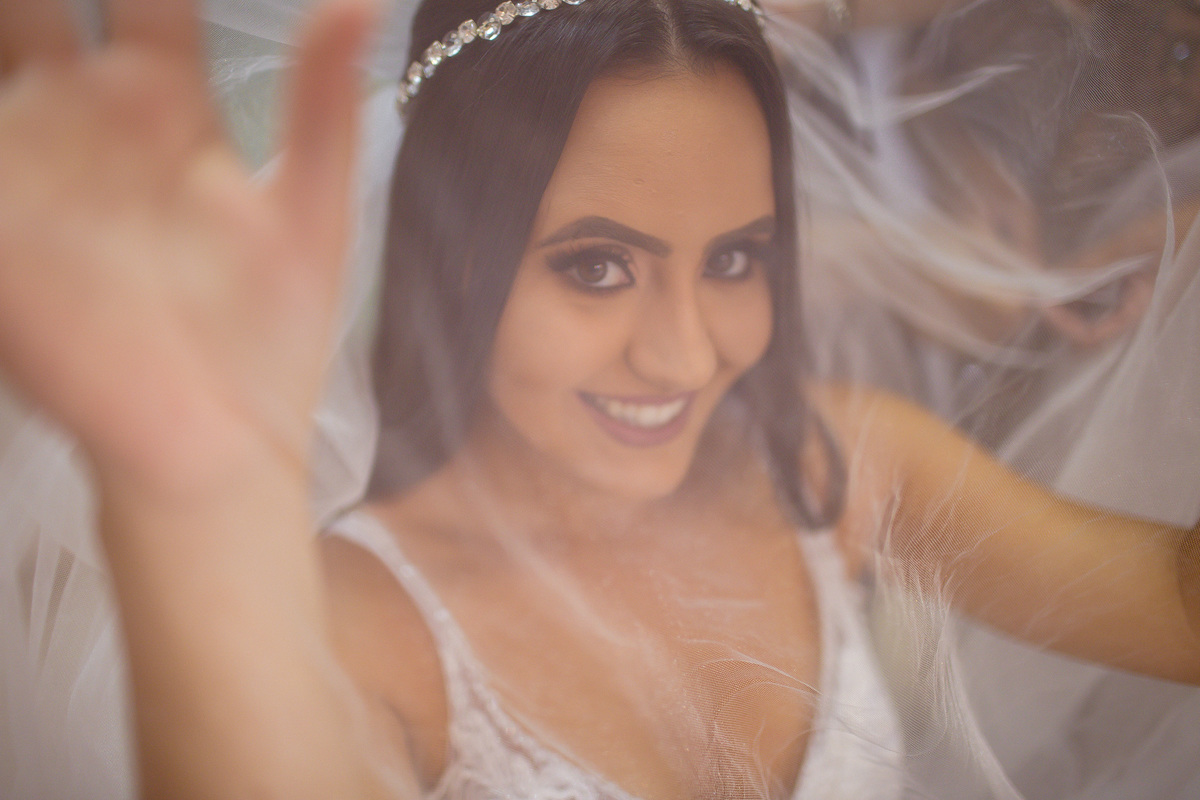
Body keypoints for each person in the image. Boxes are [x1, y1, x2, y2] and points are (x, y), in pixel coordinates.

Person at [0, 1, 1196, 799]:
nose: (683, 354)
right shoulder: (370, 622)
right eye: (596, 266)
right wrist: (193, 502)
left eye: (735, 257)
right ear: (457, 260)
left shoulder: (837, 462)